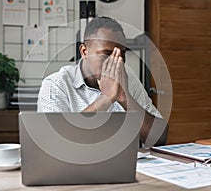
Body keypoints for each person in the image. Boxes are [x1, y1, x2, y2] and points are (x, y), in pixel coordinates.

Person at [37, 16, 168, 146]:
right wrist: (105, 99)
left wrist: (124, 97)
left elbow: (159, 138)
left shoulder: (127, 78)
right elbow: (55, 143)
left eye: (121, 55)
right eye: (106, 54)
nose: (116, 62)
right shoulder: (56, 85)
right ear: (84, 51)